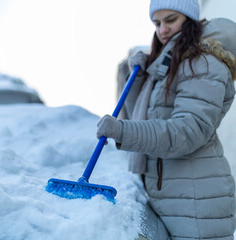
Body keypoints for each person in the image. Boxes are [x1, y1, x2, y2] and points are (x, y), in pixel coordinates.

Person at [96, 0, 236, 239]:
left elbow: (187, 132)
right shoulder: (172, 65)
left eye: (171, 20)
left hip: (197, 203)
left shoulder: (202, 63)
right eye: (157, 23)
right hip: (174, 197)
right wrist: (139, 80)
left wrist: (123, 131)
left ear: (190, 19)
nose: (162, 30)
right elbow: (147, 117)